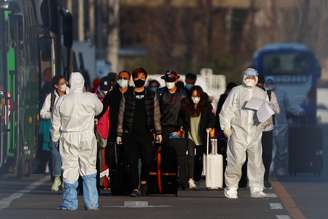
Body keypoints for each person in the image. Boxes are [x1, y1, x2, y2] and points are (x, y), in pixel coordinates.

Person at [51, 72, 103, 210]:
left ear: (70, 83)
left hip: (68, 136)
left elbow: (55, 124)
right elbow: (100, 109)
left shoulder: (61, 100)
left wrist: (55, 139)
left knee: (69, 168)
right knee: (89, 168)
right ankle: (92, 203)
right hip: (87, 136)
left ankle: (70, 203)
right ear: (83, 83)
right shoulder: (91, 98)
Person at [219, 68, 269, 199]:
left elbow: (266, 110)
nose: (250, 79)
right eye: (248, 77)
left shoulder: (261, 93)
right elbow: (226, 110)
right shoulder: (236, 91)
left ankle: (257, 188)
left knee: (256, 161)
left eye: (253, 77)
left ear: (257, 79)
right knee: (235, 160)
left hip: (255, 133)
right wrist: (226, 127)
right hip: (238, 131)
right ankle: (231, 187)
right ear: (243, 77)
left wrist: (265, 122)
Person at [116, 67, 162, 197]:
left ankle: (144, 181)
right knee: (133, 162)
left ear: (145, 78)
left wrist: (158, 132)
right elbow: (121, 115)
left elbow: (156, 115)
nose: (139, 80)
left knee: (147, 160)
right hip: (130, 134)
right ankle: (135, 188)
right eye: (137, 77)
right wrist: (119, 134)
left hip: (147, 133)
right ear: (133, 79)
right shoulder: (127, 95)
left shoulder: (151, 95)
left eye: (142, 77)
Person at [265, 77, 303, 177]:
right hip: (267, 125)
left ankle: (281, 168)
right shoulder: (262, 93)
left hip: (281, 125)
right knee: (269, 148)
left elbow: (289, 106)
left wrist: (299, 111)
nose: (270, 85)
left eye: (271, 83)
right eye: (268, 83)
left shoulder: (282, 93)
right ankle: (269, 169)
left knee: (282, 149)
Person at [181, 86, 216, 188]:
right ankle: (190, 179)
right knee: (190, 157)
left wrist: (209, 127)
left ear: (200, 96)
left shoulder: (206, 106)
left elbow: (212, 119)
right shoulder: (186, 106)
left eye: (197, 96)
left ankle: (196, 177)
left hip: (202, 136)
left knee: (199, 159)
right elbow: (182, 119)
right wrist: (182, 128)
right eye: (193, 96)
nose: (195, 98)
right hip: (190, 135)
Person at [159, 70, 188, 189]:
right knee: (165, 154)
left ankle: (182, 181)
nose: (169, 83)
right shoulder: (160, 93)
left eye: (171, 80)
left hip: (177, 128)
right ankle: (166, 180)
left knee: (180, 156)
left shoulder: (182, 95)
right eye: (167, 81)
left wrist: (182, 128)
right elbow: (157, 112)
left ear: (176, 80)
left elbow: (184, 114)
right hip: (163, 128)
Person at [40, 75, 68, 192]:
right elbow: (42, 113)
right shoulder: (50, 97)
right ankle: (57, 178)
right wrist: (51, 114)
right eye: (61, 83)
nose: (64, 85)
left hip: (68, 131)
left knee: (66, 157)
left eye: (64, 82)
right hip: (55, 131)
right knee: (55, 155)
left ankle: (66, 179)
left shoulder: (70, 95)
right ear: (56, 86)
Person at [257, 75, 280, 189]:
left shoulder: (270, 94)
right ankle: (251, 178)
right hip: (253, 129)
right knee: (253, 154)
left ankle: (265, 178)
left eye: (261, 84)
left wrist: (267, 104)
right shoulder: (249, 94)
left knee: (267, 154)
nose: (259, 86)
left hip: (267, 128)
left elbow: (277, 109)